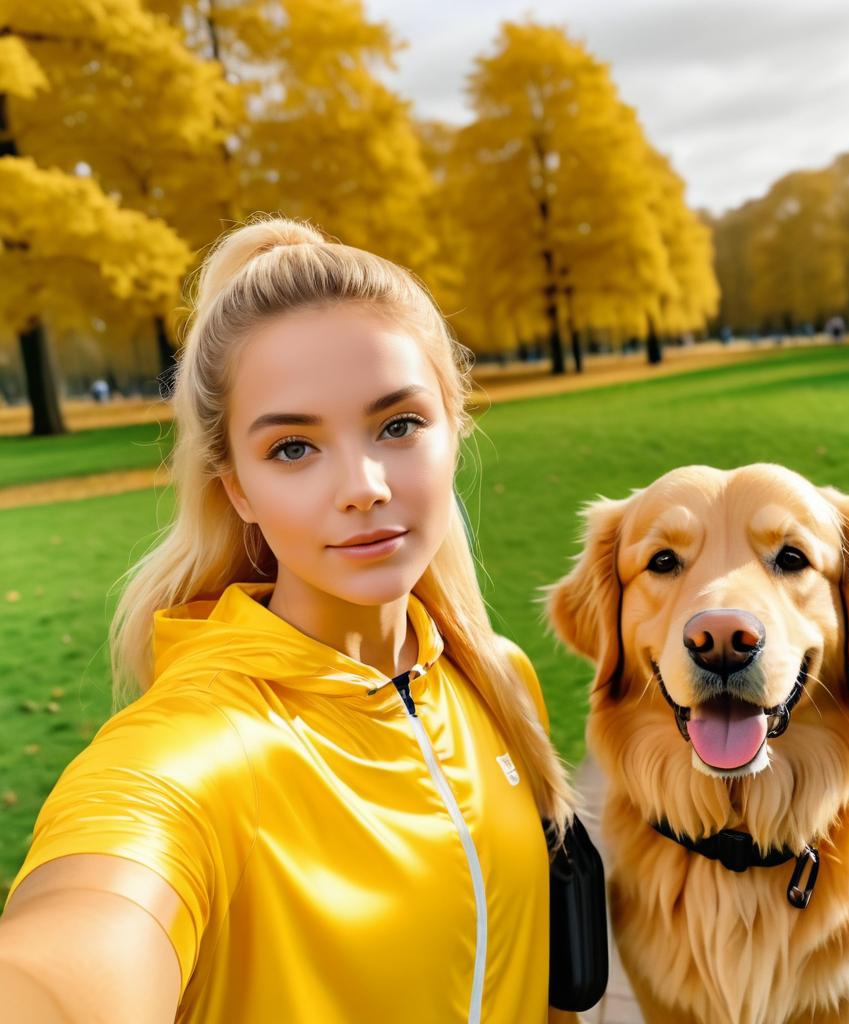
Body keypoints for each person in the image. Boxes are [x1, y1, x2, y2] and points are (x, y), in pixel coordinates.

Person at [0, 215, 577, 1023]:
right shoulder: (192, 754)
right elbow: (73, 950)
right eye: (293, 449)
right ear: (236, 487)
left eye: (399, 425)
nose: (363, 484)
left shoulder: (498, 679)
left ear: (457, 426)